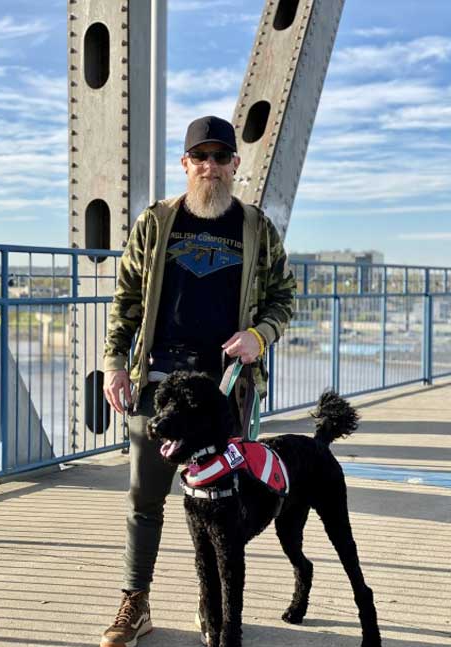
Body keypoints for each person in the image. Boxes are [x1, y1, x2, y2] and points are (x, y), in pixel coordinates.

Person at [99, 115, 297, 647]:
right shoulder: (156, 223)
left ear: (236, 164)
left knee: (223, 498)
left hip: (227, 385)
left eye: (220, 157)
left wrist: (261, 334)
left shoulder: (255, 226)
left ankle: (210, 605)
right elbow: (126, 300)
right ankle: (135, 601)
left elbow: (285, 299)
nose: (210, 166)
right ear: (184, 164)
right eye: (199, 157)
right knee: (147, 494)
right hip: (161, 378)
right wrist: (115, 362)